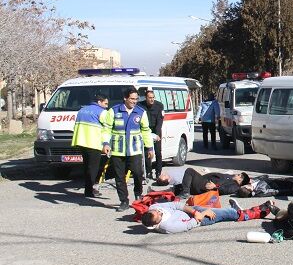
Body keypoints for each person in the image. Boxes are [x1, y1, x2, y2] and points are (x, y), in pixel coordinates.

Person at [100, 87, 154, 212]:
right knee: (119, 177)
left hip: (135, 150)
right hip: (118, 151)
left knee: (138, 174)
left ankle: (138, 194)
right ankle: (124, 201)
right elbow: (106, 129)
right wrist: (106, 143)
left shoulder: (141, 112)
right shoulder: (114, 111)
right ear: (125, 98)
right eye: (132, 99)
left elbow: (146, 131)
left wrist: (149, 148)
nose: (134, 101)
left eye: (136, 99)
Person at [141, 199, 278, 234]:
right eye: (159, 215)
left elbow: (177, 205)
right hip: (201, 219)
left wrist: (194, 211)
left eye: (157, 212)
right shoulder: (168, 226)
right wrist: (202, 214)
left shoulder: (154, 209)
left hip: (193, 211)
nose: (160, 212)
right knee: (228, 214)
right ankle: (263, 210)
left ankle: (237, 211)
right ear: (156, 224)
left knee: (226, 212)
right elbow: (190, 224)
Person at [71, 93, 109, 198]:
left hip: (82, 142)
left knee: (87, 167)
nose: (106, 106)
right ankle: (90, 190)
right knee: (93, 169)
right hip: (94, 143)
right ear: (99, 102)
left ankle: (88, 189)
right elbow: (106, 129)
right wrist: (106, 143)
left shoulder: (82, 110)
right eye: (105, 103)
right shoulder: (102, 112)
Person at [141, 90, 164, 180]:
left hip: (156, 129)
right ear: (146, 98)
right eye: (149, 98)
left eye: (153, 97)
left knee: (158, 152)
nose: (151, 99)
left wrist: (157, 135)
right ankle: (148, 171)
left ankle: (158, 172)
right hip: (146, 130)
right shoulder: (140, 105)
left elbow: (160, 122)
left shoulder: (159, 106)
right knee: (147, 152)